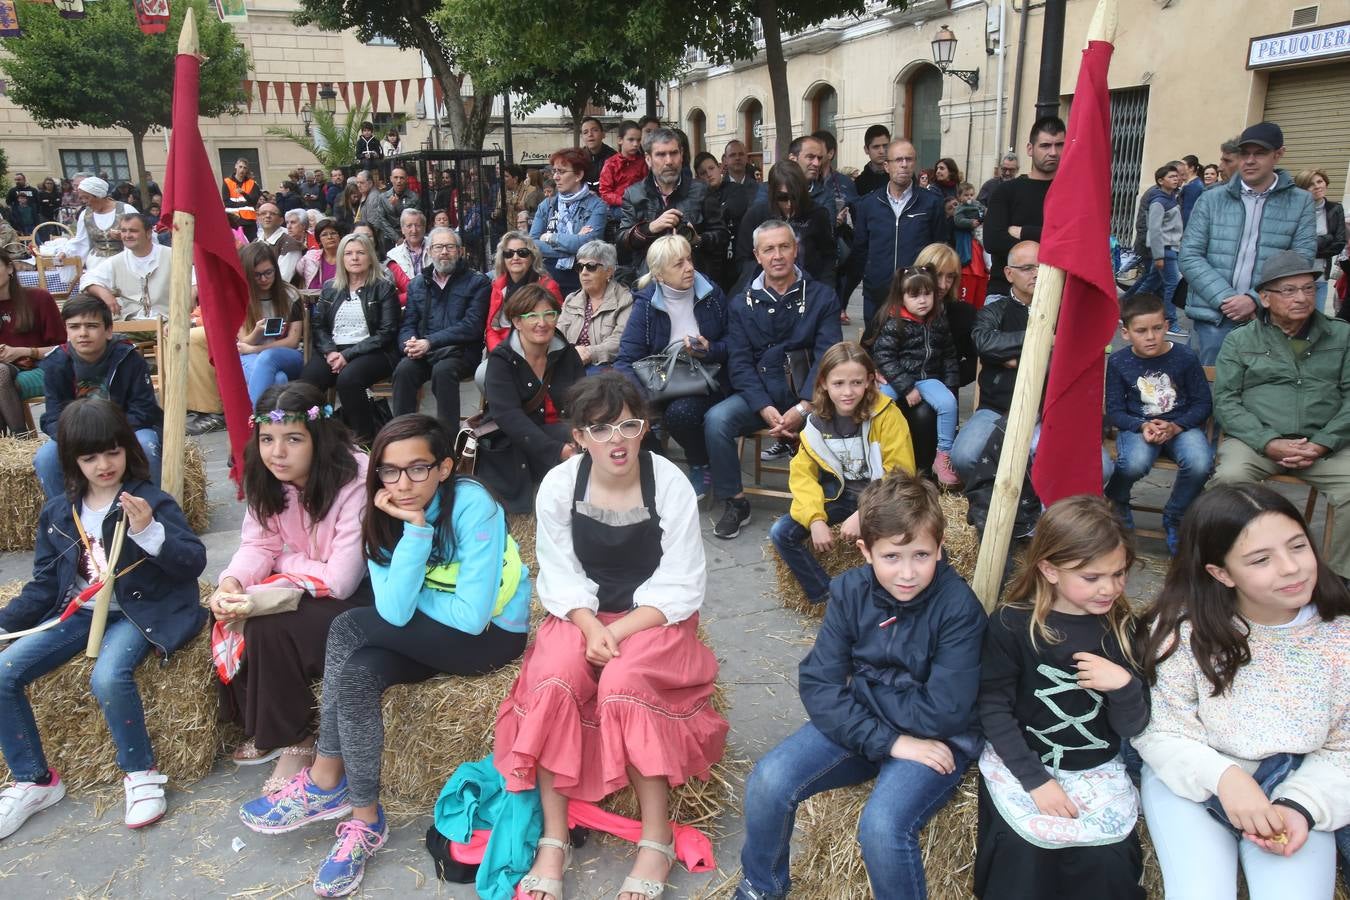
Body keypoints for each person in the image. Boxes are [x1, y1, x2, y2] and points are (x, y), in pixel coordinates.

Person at [239, 414, 530, 897]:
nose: (403, 484)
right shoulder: (379, 514)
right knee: (358, 672)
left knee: (349, 625)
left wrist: (412, 578)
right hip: (430, 633)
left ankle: (325, 777)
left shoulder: (473, 505)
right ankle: (364, 819)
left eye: (418, 468)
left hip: (491, 637)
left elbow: (470, 617)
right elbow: (394, 611)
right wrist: (413, 531)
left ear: (444, 468)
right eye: (390, 471)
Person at [494, 373, 727, 900]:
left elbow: (682, 580)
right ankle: (554, 838)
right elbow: (559, 570)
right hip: (581, 612)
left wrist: (617, 629)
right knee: (555, 678)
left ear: (644, 428)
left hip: (654, 616)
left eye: (628, 426)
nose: (616, 440)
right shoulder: (561, 485)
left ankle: (656, 839)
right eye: (600, 429)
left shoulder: (667, 481)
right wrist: (589, 624)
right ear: (579, 436)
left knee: (623, 681)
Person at [736, 469, 986, 900]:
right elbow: (819, 683)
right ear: (865, 551)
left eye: (921, 555)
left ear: (941, 547)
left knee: (882, 827)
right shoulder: (850, 591)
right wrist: (890, 741)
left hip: (936, 740)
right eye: (892, 557)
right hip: (871, 728)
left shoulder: (958, 608)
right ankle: (761, 886)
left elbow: (944, 711)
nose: (907, 572)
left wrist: (857, 690)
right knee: (769, 779)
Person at [0, 397, 205, 840]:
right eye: (89, 457)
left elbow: (192, 562)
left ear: (128, 449)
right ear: (71, 461)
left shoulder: (150, 501)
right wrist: (6, 623)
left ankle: (140, 773)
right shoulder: (59, 512)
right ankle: (34, 781)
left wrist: (150, 532)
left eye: (112, 452)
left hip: (138, 612)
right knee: (3, 671)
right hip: (81, 613)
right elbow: (43, 584)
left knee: (108, 676)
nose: (104, 465)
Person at [1134, 485, 1350, 899]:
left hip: (1295, 782)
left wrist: (1303, 805)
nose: (1291, 568)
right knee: (1201, 893)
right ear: (1222, 573)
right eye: (1261, 559)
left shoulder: (1340, 636)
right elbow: (1161, 730)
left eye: (1298, 546)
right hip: (1195, 779)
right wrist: (1225, 777)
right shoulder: (1183, 631)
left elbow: (1344, 748)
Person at [975, 495, 1147, 900]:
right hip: (1024, 764)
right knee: (1021, 861)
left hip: (1096, 767)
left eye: (1119, 573)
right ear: (1049, 569)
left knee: (1108, 868)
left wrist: (1125, 687)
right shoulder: (1012, 625)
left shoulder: (1124, 629)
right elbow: (993, 708)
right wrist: (1036, 781)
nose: (1109, 588)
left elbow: (1131, 727)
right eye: (1092, 577)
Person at [212, 384, 371, 793]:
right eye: (267, 439)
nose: (277, 453)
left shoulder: (355, 478)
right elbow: (257, 544)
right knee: (232, 610)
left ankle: (296, 738)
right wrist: (231, 582)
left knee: (271, 625)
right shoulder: (267, 477)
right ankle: (259, 723)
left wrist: (283, 562)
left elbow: (342, 579)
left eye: (293, 439)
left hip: (366, 595)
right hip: (311, 582)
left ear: (318, 437)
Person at [1209, 250, 1350, 579]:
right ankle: (1230, 565)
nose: (1301, 297)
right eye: (1289, 290)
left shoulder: (1342, 336)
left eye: (1308, 288)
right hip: (1257, 442)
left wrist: (1323, 442)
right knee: (1229, 481)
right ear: (1265, 298)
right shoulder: (1240, 340)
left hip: (1325, 444)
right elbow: (1226, 401)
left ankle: (1339, 580)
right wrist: (1268, 441)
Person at [706, 220, 842, 539]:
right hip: (761, 396)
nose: (777, 255)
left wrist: (804, 407)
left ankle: (831, 501)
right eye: (769, 249)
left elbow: (828, 357)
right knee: (716, 420)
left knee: (841, 418)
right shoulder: (741, 302)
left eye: (784, 247)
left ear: (796, 250)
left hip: (809, 395)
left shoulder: (822, 296)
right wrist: (763, 407)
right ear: (757, 255)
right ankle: (735, 502)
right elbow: (739, 362)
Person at [770, 341, 915, 603]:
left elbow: (900, 474)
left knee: (899, 540)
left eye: (856, 383)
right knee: (781, 533)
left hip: (882, 497)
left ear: (869, 380)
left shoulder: (887, 415)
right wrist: (815, 519)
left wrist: (864, 513)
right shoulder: (815, 423)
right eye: (838, 383)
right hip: (841, 495)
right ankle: (827, 596)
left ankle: (889, 596)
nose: (848, 392)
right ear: (824, 383)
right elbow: (803, 475)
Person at [1180, 122, 1317, 365]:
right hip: (1214, 318)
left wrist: (1254, 299)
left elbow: (1301, 260)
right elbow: (1189, 255)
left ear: (1279, 154)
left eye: (1260, 153)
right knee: (1208, 383)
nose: (1250, 161)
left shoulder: (1300, 202)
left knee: (1264, 386)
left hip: (1270, 318)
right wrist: (1227, 299)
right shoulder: (1211, 199)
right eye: (1244, 153)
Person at [613, 234, 730, 499]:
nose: (689, 268)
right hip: (661, 383)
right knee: (629, 415)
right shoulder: (646, 304)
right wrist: (641, 404)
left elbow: (734, 343)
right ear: (659, 275)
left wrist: (709, 350)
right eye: (679, 264)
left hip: (706, 380)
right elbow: (626, 359)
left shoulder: (711, 295)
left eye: (689, 259)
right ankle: (661, 468)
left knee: (680, 413)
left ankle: (700, 463)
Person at [1104, 292, 1213, 552]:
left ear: (1167, 325)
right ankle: (1118, 500)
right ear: (1125, 333)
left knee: (1200, 463)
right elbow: (1115, 411)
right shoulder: (1119, 362)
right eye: (1141, 331)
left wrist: (1176, 426)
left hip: (1181, 425)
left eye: (1156, 328)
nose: (1151, 337)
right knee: (1133, 463)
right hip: (1139, 425)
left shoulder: (1185, 357)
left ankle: (1176, 514)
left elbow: (1203, 403)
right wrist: (1141, 426)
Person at [35, 295, 161, 498]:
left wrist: (108, 435)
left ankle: (153, 506)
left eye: (92, 326)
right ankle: (66, 512)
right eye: (74, 327)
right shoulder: (56, 363)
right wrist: (79, 437)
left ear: (109, 330)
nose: (83, 333)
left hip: (127, 430)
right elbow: (53, 416)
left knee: (146, 446)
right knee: (46, 457)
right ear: (66, 331)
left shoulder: (128, 358)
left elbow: (144, 409)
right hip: (77, 435)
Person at [482, 283, 587, 502]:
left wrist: (588, 431)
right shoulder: (502, 359)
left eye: (549, 314)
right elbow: (508, 416)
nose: (542, 323)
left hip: (561, 428)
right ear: (517, 322)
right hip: (516, 438)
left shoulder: (566, 353)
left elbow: (584, 399)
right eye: (532, 316)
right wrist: (557, 450)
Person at [299, 233, 400, 443]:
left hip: (373, 350)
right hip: (333, 350)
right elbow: (319, 326)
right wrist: (330, 352)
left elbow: (387, 332)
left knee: (349, 379)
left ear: (370, 257)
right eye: (348, 253)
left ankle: (364, 440)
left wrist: (347, 355)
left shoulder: (383, 287)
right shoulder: (330, 288)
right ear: (341, 258)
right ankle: (316, 438)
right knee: (308, 382)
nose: (354, 258)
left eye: (360, 253)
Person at [870, 267, 961, 485]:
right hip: (897, 378)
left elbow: (949, 355)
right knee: (879, 403)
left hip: (928, 377)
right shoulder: (895, 321)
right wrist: (907, 387)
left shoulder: (938, 320)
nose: (922, 301)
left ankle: (943, 455)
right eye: (914, 295)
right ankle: (874, 449)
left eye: (927, 294)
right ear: (901, 297)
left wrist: (951, 386)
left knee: (948, 403)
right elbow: (884, 356)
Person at [392, 227, 489, 424]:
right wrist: (409, 345)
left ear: (460, 251)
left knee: (443, 371)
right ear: (429, 252)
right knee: (403, 370)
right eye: (438, 247)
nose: (444, 252)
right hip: (424, 352)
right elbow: (408, 323)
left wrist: (429, 342)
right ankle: (404, 432)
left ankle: (447, 436)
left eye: (449, 247)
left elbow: (472, 326)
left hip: (461, 353)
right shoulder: (417, 284)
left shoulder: (477, 282)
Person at [851, 139, 948, 334]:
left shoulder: (931, 202)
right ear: (887, 166)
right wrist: (868, 279)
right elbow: (860, 250)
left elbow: (940, 248)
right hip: (877, 294)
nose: (904, 165)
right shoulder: (868, 204)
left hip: (917, 294)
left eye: (909, 159)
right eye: (898, 160)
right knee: (875, 344)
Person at [618, 128, 726, 277]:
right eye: (661, 154)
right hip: (650, 280)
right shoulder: (634, 194)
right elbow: (622, 242)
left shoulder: (702, 191)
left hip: (692, 277)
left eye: (674, 153)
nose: (669, 161)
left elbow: (722, 236)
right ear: (648, 159)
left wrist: (698, 240)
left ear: (681, 155)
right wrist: (650, 228)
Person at [984, 116, 1065, 296]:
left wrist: (1024, 232)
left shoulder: (1072, 193)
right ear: (1030, 149)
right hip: (1005, 293)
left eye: (1059, 145)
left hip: (1057, 293)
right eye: (1045, 145)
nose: (1053, 152)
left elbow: (1074, 243)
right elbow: (993, 241)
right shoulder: (1006, 191)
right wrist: (1052, 242)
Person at [735, 160, 837, 290]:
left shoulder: (817, 214)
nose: (789, 204)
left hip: (809, 288)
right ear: (772, 194)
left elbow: (828, 256)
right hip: (766, 288)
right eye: (782, 197)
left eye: (794, 197)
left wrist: (826, 288)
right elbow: (743, 260)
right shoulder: (756, 214)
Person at [0, 248, 63, 434]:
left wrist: (23, 351)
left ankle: (19, 439)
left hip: (40, 365)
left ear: (9, 268)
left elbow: (63, 348)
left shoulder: (38, 298)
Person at [531, 148, 609, 297]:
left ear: (578, 175)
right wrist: (574, 243)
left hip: (582, 279)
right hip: (547, 279)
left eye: (561, 171)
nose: (555, 177)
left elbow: (588, 245)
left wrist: (550, 237)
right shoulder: (546, 205)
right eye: (554, 171)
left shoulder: (596, 206)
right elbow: (532, 245)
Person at [75, 212, 178, 321]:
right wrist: (105, 295)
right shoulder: (117, 261)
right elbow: (87, 279)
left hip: (169, 322)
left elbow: (190, 284)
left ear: (148, 233)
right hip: (131, 324)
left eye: (133, 231)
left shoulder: (172, 256)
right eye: (123, 231)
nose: (127, 235)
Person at [236, 242, 305, 403]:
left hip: (287, 355)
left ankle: (256, 418)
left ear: (276, 269)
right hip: (250, 355)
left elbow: (293, 341)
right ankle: (269, 417)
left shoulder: (290, 294)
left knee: (267, 357)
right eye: (257, 275)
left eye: (268, 272)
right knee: (279, 379)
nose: (264, 279)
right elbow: (244, 342)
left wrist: (257, 348)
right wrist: (257, 332)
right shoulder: (241, 296)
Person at [1123, 164, 1186, 336]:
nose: (1176, 179)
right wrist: (1158, 256)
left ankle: (1125, 307)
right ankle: (1171, 321)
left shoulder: (1172, 198)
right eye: (1171, 177)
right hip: (1165, 249)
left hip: (1171, 247)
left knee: (1151, 282)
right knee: (1172, 284)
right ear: (1160, 181)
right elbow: (1155, 230)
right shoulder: (1158, 201)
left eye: (1176, 176)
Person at [556, 240, 633, 372]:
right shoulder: (571, 300)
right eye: (580, 267)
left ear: (609, 271)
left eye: (591, 266)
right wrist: (570, 354)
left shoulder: (625, 300)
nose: (584, 272)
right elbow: (558, 336)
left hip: (604, 366)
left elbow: (619, 340)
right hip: (569, 362)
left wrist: (589, 353)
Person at [485, 231, 564, 353]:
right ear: (503, 259)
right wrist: (499, 353)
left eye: (522, 253)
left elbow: (555, 325)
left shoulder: (548, 286)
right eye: (509, 253)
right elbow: (491, 328)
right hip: (501, 348)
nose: (515, 258)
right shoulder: (498, 286)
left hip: (537, 349)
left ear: (532, 257)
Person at [693, 151, 753, 291]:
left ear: (720, 167)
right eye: (703, 173)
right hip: (711, 261)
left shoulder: (736, 189)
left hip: (734, 254)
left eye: (711, 168)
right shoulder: (699, 198)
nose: (709, 174)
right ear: (698, 177)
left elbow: (733, 209)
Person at [1294, 169, 1347, 314]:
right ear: (1302, 189)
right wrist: (1326, 238)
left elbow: (1339, 243)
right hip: (1295, 274)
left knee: (1317, 318)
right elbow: (1292, 243)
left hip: (1320, 275)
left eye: (1320, 181)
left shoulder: (1335, 209)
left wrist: (1308, 249)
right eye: (1310, 184)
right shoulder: (1294, 211)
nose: (1317, 186)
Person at [57, 176, 137, 267]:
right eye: (81, 198)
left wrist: (124, 237)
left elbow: (142, 235)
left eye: (86, 198)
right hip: (96, 264)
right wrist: (65, 252)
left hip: (124, 262)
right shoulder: (85, 215)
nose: (84, 201)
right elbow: (81, 240)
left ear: (99, 195)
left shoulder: (126, 210)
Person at [600, 121, 649, 212]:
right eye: (631, 140)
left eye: (638, 140)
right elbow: (605, 193)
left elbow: (647, 186)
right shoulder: (611, 164)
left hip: (640, 205)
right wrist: (624, 201)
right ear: (620, 140)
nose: (635, 144)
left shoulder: (643, 162)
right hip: (617, 207)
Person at [254, 201, 306, 287]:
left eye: (272, 214)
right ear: (258, 218)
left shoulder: (290, 245)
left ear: (281, 220)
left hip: (281, 293)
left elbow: (283, 279)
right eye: (263, 213)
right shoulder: (255, 243)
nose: (267, 216)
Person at [385, 209, 428, 307]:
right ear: (402, 229)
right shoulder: (392, 256)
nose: (414, 230)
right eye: (409, 226)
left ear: (424, 227)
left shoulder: (436, 248)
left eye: (418, 225)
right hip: (406, 308)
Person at [353, 170, 400, 251]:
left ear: (370, 183)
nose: (358, 185)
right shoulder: (367, 195)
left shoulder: (373, 197)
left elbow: (374, 225)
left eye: (361, 183)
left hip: (376, 243)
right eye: (357, 183)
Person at [298, 218, 343, 291]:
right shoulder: (310, 257)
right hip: (312, 297)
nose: (330, 237)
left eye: (333, 233)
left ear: (340, 237)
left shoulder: (347, 257)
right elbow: (299, 270)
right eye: (324, 235)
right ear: (319, 240)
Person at [223, 159, 261, 241]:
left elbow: (253, 202)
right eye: (240, 167)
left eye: (244, 168)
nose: (242, 170)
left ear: (247, 170)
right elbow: (226, 202)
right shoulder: (227, 182)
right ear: (236, 166)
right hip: (232, 220)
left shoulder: (252, 183)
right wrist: (244, 203)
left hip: (249, 220)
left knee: (252, 244)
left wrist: (243, 193)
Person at [579, 116, 617, 194]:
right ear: (582, 137)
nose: (590, 134)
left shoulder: (614, 158)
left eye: (595, 130)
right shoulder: (578, 157)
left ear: (603, 134)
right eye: (585, 132)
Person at [853, 125, 892, 197]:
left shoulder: (902, 176)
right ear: (866, 149)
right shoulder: (859, 184)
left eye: (885, 146)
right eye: (876, 147)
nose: (882, 151)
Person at [1179, 154, 1205, 225]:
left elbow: (1188, 210)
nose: (1180, 168)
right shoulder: (1188, 183)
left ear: (1191, 168)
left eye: (1183, 165)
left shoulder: (1194, 186)